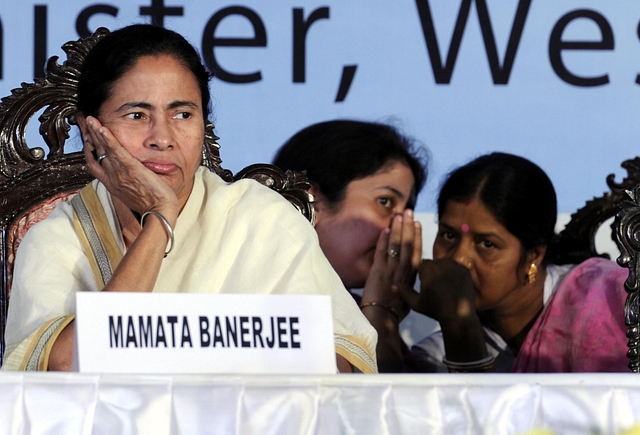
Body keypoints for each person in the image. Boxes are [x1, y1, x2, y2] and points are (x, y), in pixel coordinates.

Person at [2, 25, 377, 373]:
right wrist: (160, 219)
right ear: (90, 130)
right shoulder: (57, 240)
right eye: (136, 115)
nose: (162, 138)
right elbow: (62, 372)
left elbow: (345, 362)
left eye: (183, 114)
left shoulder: (261, 220)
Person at [400, 152, 628, 372]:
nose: (460, 259)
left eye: (487, 244)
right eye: (449, 236)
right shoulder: (435, 356)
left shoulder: (613, 297)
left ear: (534, 256)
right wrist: (383, 313)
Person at [273, 120, 428, 372]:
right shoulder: (266, 307)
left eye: (407, 211)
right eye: (385, 201)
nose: (401, 228)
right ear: (310, 201)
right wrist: (380, 317)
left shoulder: (356, 309)